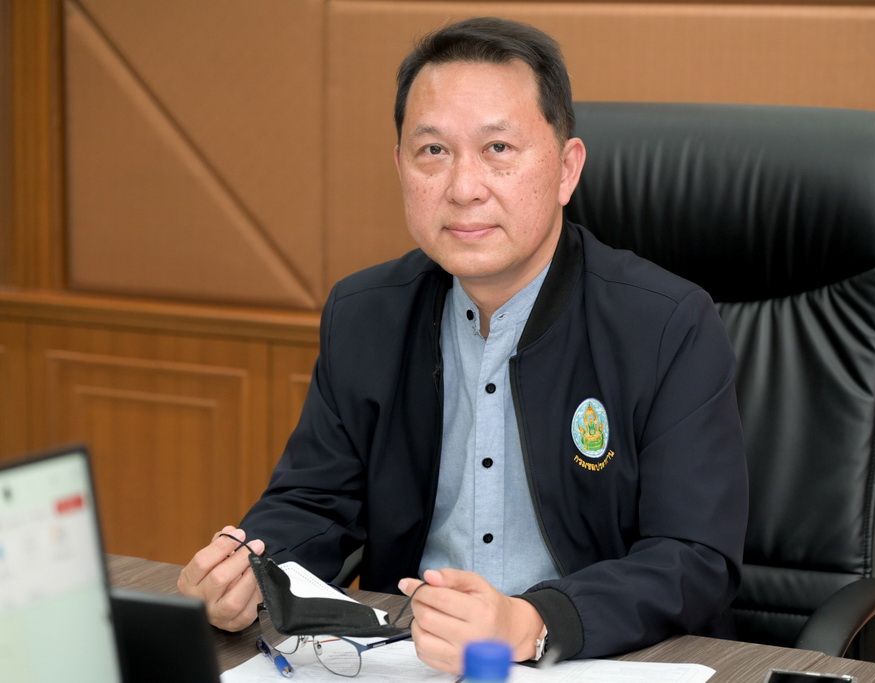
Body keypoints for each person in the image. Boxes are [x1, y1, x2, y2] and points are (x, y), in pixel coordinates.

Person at [178, 16, 747, 675]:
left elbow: (693, 558)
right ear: (400, 167)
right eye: (433, 151)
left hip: (595, 661)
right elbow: (312, 504)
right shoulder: (366, 315)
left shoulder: (667, 323)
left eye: (498, 148)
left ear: (566, 169)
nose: (463, 187)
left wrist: (535, 620)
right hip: (411, 659)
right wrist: (250, 571)